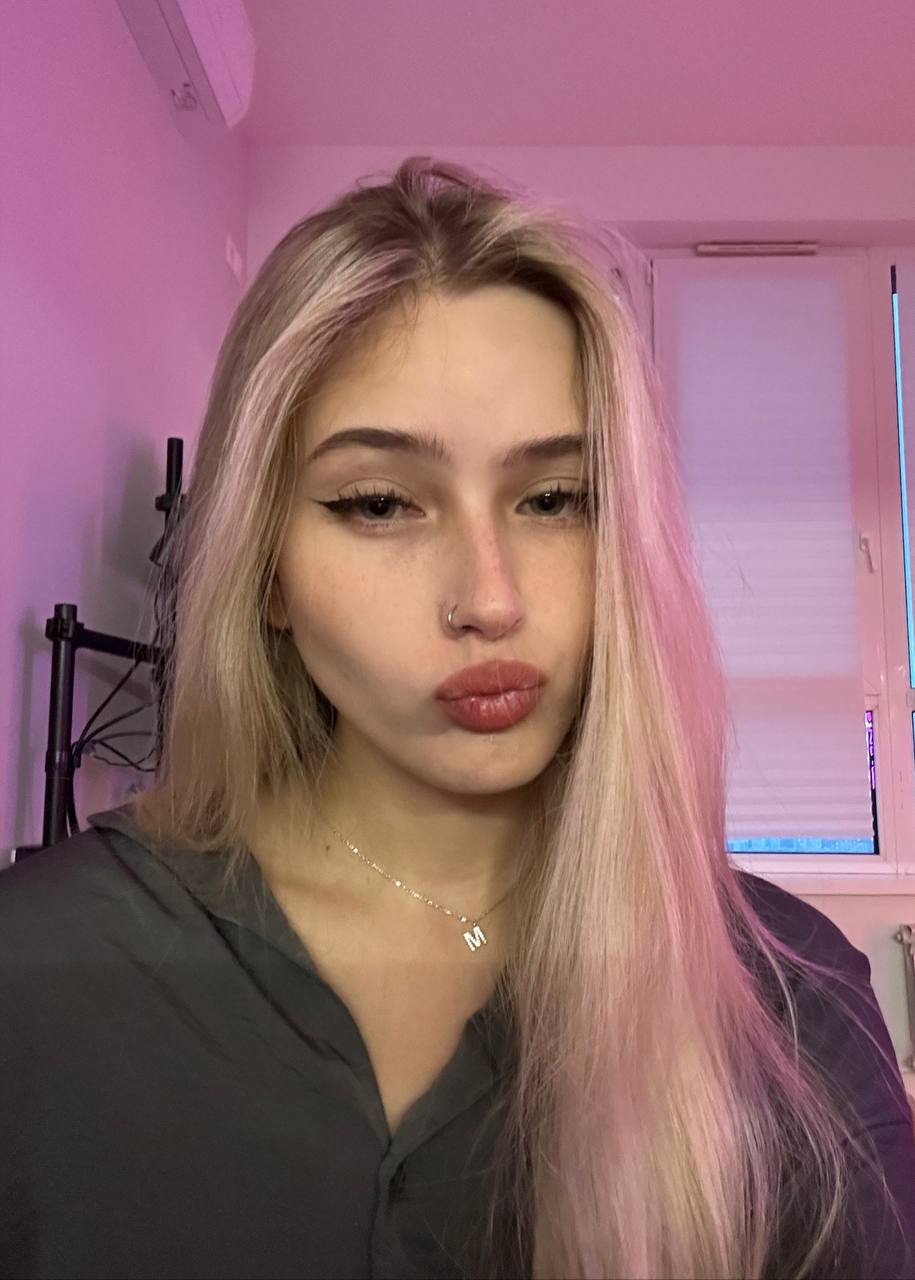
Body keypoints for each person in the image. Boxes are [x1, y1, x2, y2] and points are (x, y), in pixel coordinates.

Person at [2, 156, 914, 1280]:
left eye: (555, 499)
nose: (490, 598)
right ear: (266, 567)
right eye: (380, 503)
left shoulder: (793, 1009)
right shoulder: (39, 973)